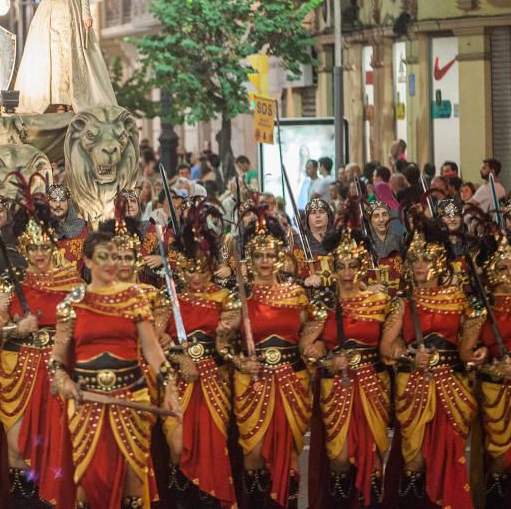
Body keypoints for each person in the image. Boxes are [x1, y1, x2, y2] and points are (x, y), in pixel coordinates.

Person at [48, 230, 180, 508]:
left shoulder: (134, 298)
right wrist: (62, 380)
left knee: (132, 483)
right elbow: (57, 359)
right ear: (87, 261)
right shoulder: (73, 302)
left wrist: (169, 387)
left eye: (114, 257)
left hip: (131, 397)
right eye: (102, 257)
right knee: (88, 482)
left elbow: (153, 352)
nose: (110, 263)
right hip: (87, 401)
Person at [379, 211, 484, 508]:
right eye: (416, 260)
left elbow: (468, 348)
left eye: (426, 259)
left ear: (439, 261)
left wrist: (480, 348)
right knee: (415, 458)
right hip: (415, 384)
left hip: (451, 384)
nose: (421, 266)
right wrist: (411, 355)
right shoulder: (402, 302)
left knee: (449, 454)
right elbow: (387, 347)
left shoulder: (458, 299)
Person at [0, 195, 78, 507]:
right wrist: (14, 329)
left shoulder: (71, 281)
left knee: (58, 445)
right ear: (23, 246)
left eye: (44, 247)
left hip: (56, 369)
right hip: (17, 370)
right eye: (32, 247)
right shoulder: (9, 282)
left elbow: (81, 325)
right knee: (17, 446)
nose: (39, 254)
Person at [219, 205, 312, 508]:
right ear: (249, 259)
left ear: (280, 257)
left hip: (291, 381)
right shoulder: (240, 296)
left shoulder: (296, 294)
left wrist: (316, 354)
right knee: (254, 454)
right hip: (253, 382)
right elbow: (222, 342)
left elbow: (307, 339)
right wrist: (239, 361)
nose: (264, 262)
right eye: (258, 256)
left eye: (270, 255)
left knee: (289, 455)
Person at [300, 221, 391, 508]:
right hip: (336, 385)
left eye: (353, 266)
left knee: (373, 458)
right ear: (334, 268)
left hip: (372, 386)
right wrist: (326, 356)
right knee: (339, 458)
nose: (348, 273)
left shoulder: (379, 301)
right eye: (343, 266)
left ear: (362, 266)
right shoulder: (324, 303)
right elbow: (306, 348)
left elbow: (391, 343)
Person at [153, 199, 237, 508]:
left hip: (214, 378)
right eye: (190, 271)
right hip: (177, 379)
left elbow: (227, 336)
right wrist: (179, 355)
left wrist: (226, 338)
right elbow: (158, 335)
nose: (197, 278)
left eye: (202, 270)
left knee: (214, 447)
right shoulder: (168, 298)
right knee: (177, 447)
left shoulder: (225, 297)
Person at [471, 235, 511, 506]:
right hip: (494, 387)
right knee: (499, 458)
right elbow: (468, 351)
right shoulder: (481, 309)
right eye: (502, 268)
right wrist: (481, 353)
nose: (507, 274)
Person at [47, 184, 88, 270]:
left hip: (78, 280)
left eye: (62, 200)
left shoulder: (83, 228)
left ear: (68, 202)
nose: (58, 204)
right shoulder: (41, 230)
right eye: (54, 200)